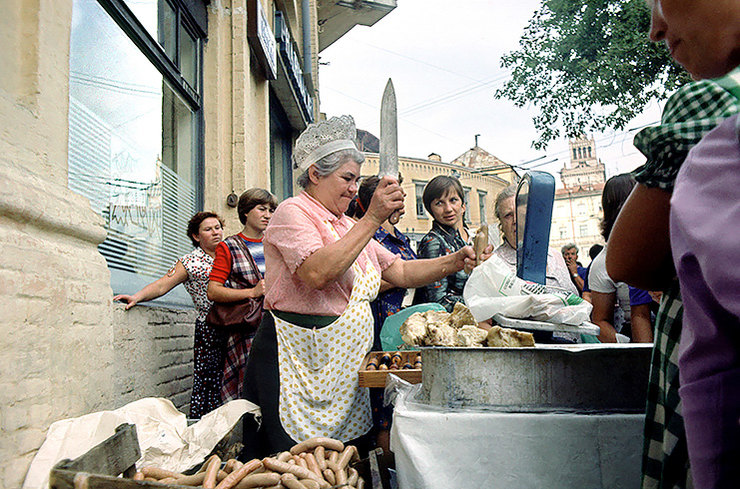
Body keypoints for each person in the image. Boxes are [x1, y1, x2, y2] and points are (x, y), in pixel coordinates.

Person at [242, 115, 489, 457]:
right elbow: (317, 273)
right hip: (299, 363)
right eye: (346, 178)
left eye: (356, 180)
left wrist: (457, 259)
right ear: (315, 174)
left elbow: (399, 271)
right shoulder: (292, 212)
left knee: (343, 459)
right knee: (293, 461)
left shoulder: (346, 224)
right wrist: (372, 218)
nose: (353, 189)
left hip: (342, 370)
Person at [606, 79, 740, 489]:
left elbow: (628, 261)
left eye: (669, 9)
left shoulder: (713, 100)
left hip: (711, 359)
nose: (656, 29)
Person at [113, 211, 225, 418]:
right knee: (209, 383)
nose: (215, 233)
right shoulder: (190, 262)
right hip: (211, 328)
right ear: (196, 236)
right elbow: (164, 284)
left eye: (218, 227)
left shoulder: (231, 255)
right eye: (208, 229)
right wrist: (137, 297)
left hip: (239, 326)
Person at [353, 175, 417, 453]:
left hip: (403, 326)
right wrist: (404, 278)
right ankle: (384, 466)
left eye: (400, 195)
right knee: (383, 404)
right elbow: (362, 284)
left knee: (406, 396)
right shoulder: (364, 236)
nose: (400, 201)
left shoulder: (400, 238)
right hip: (378, 325)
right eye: (393, 195)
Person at [207, 188, 277, 404]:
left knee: (276, 384)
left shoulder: (276, 245)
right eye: (261, 209)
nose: (268, 215)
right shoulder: (229, 246)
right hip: (248, 329)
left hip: (279, 326)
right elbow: (213, 290)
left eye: (271, 210)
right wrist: (252, 292)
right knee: (247, 385)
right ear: (246, 212)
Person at [587, 174, 653, 343]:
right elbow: (600, 321)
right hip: (637, 334)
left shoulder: (656, 245)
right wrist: (627, 345)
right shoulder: (604, 262)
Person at [492, 185, 578, 295]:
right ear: (501, 224)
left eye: (521, 213)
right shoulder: (495, 264)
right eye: (508, 215)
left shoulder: (554, 256)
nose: (515, 220)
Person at [412, 175, 471, 311]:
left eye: (453, 200)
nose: (448, 209)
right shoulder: (433, 242)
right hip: (444, 325)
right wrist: (478, 305)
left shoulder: (469, 238)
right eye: (439, 203)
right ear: (430, 210)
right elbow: (438, 301)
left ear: (463, 205)